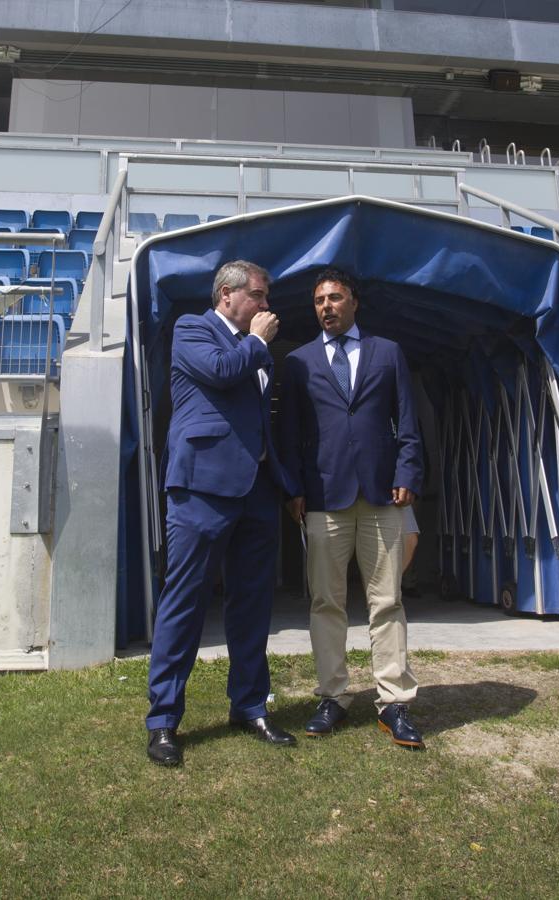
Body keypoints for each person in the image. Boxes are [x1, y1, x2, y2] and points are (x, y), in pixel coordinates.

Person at [145, 260, 299, 767]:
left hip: (255, 489)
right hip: (201, 488)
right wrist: (255, 342)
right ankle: (164, 719)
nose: (265, 306)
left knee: (252, 602)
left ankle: (250, 706)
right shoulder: (193, 329)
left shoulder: (257, 347)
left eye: (266, 296)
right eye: (258, 295)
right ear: (227, 295)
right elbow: (220, 371)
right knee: (185, 601)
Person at [279, 267, 426, 750]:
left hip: (383, 495)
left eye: (335, 298)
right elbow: (293, 434)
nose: (326, 306)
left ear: (354, 303)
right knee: (326, 603)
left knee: (387, 601)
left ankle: (394, 702)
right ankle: (333, 697)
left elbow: (406, 418)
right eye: (319, 300)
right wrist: (295, 488)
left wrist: (407, 473)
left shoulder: (388, 352)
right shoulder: (298, 361)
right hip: (323, 498)